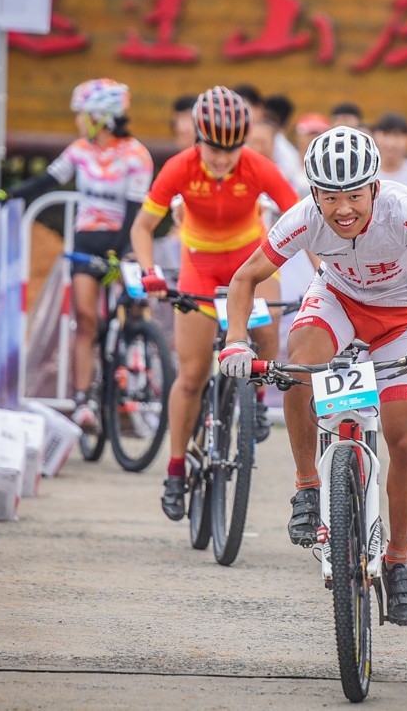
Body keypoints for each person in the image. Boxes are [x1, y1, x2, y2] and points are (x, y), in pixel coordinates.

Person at [217, 126, 407, 625]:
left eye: (355, 196)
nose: (343, 210)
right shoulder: (304, 217)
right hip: (336, 303)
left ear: (375, 187)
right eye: (330, 197)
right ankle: (307, 487)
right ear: (315, 193)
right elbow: (245, 277)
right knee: (299, 365)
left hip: (400, 321)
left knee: (405, 438)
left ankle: (398, 562)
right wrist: (235, 339)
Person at [129, 86, 301, 521]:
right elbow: (142, 227)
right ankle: (174, 471)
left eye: (231, 150)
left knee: (266, 330)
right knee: (191, 375)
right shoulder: (179, 167)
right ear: (197, 139)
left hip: (251, 260)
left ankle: (256, 397)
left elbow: (304, 221)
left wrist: (326, 272)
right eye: (213, 149)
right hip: (200, 265)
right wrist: (149, 271)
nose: (223, 159)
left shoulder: (258, 166)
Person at [4, 79, 153, 430]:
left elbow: (134, 211)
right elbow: (46, 181)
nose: (78, 121)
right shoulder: (80, 150)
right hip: (86, 241)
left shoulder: (136, 156)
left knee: (135, 307)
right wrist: (9, 194)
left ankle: (136, 372)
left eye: (83, 115)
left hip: (122, 240)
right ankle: (84, 399)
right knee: (85, 319)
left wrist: (120, 253)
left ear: (101, 118)